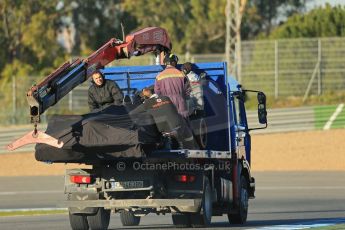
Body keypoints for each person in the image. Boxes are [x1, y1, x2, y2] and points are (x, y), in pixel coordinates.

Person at [129, 86, 198, 149]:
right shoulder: (166, 98)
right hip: (180, 126)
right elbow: (173, 110)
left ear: (145, 96)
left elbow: (132, 113)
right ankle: (191, 148)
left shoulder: (147, 104)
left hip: (166, 131)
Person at [154, 54, 191, 118]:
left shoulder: (159, 76)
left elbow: (157, 92)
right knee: (183, 123)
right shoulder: (182, 75)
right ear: (174, 62)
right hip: (180, 103)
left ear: (165, 63)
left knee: (170, 123)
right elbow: (187, 91)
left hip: (166, 104)